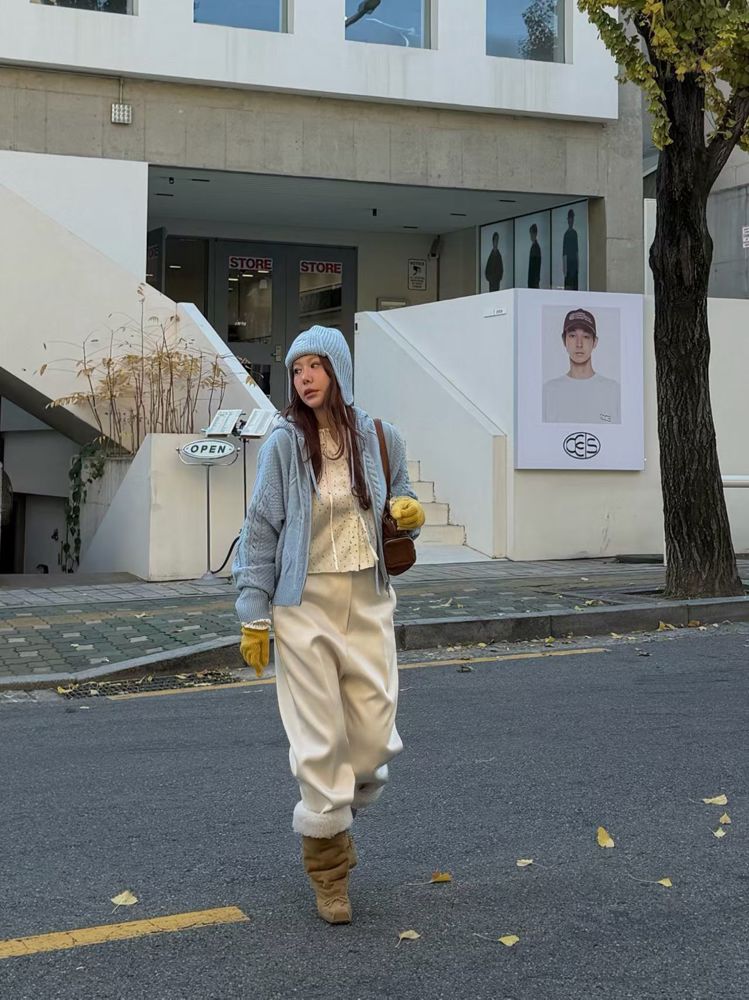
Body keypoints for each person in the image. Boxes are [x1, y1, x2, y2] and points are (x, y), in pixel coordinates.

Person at [232, 325, 425, 926]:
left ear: (338, 371)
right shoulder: (284, 444)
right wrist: (253, 610)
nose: (304, 378)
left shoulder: (380, 436)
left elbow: (402, 504)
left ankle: (339, 816)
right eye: (296, 370)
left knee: (371, 741)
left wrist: (409, 514)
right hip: (304, 604)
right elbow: (261, 527)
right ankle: (330, 874)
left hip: (368, 598)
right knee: (319, 743)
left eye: (315, 366)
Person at [542, 308, 621, 424]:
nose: (579, 344)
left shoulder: (613, 391)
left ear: (595, 342)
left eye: (586, 336)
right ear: (564, 340)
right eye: (572, 336)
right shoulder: (548, 392)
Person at [562, 209, 579, 291]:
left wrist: (578, 266)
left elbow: (576, 251)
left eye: (572, 219)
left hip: (574, 265)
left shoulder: (574, 233)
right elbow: (564, 253)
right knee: (569, 285)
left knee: (574, 285)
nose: (571, 221)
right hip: (569, 264)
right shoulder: (566, 234)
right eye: (570, 218)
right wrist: (564, 269)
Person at [528, 223, 542, 289]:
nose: (531, 235)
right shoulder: (534, 246)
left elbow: (536, 266)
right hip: (533, 281)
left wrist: (535, 282)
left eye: (532, 233)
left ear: (535, 234)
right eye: (530, 233)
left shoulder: (536, 247)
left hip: (533, 281)